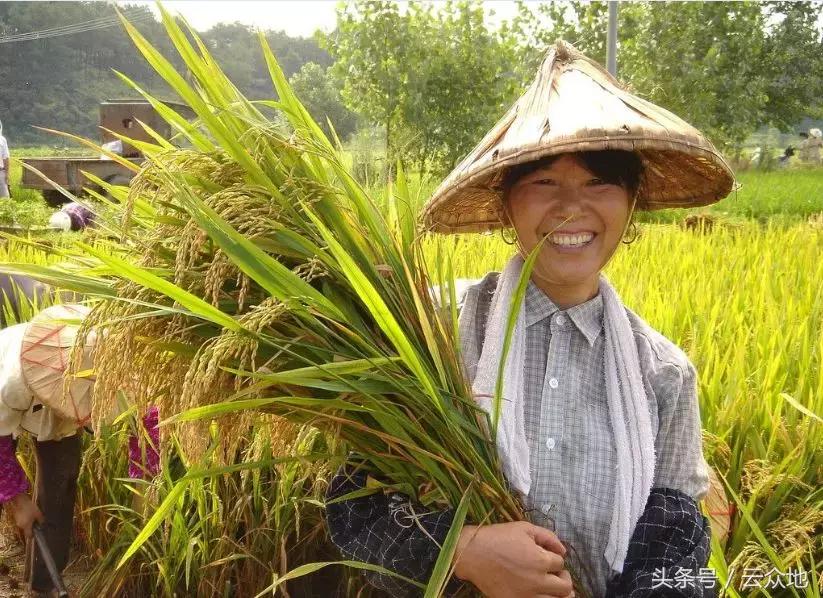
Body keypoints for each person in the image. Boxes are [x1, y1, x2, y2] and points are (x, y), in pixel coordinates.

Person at [325, 41, 733, 598]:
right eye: (544, 182)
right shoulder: (432, 329)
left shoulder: (661, 372)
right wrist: (463, 550)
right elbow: (353, 503)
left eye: (599, 182)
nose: (571, 208)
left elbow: (677, 546)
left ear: (632, 202)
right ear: (506, 202)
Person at [0, 304, 160, 597]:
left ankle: (44, 584)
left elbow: (147, 425)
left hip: (53, 406)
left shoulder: (116, 370)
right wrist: (16, 500)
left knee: (61, 481)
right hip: (15, 398)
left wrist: (144, 483)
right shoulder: (10, 381)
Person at [0, 119, 10, 199]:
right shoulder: (2, 140)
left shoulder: (2, 140)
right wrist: (6, 173)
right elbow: (6, 157)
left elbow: (6, 158)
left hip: (1, 172)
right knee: (4, 199)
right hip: (1, 173)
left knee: (4, 199)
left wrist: (6, 173)